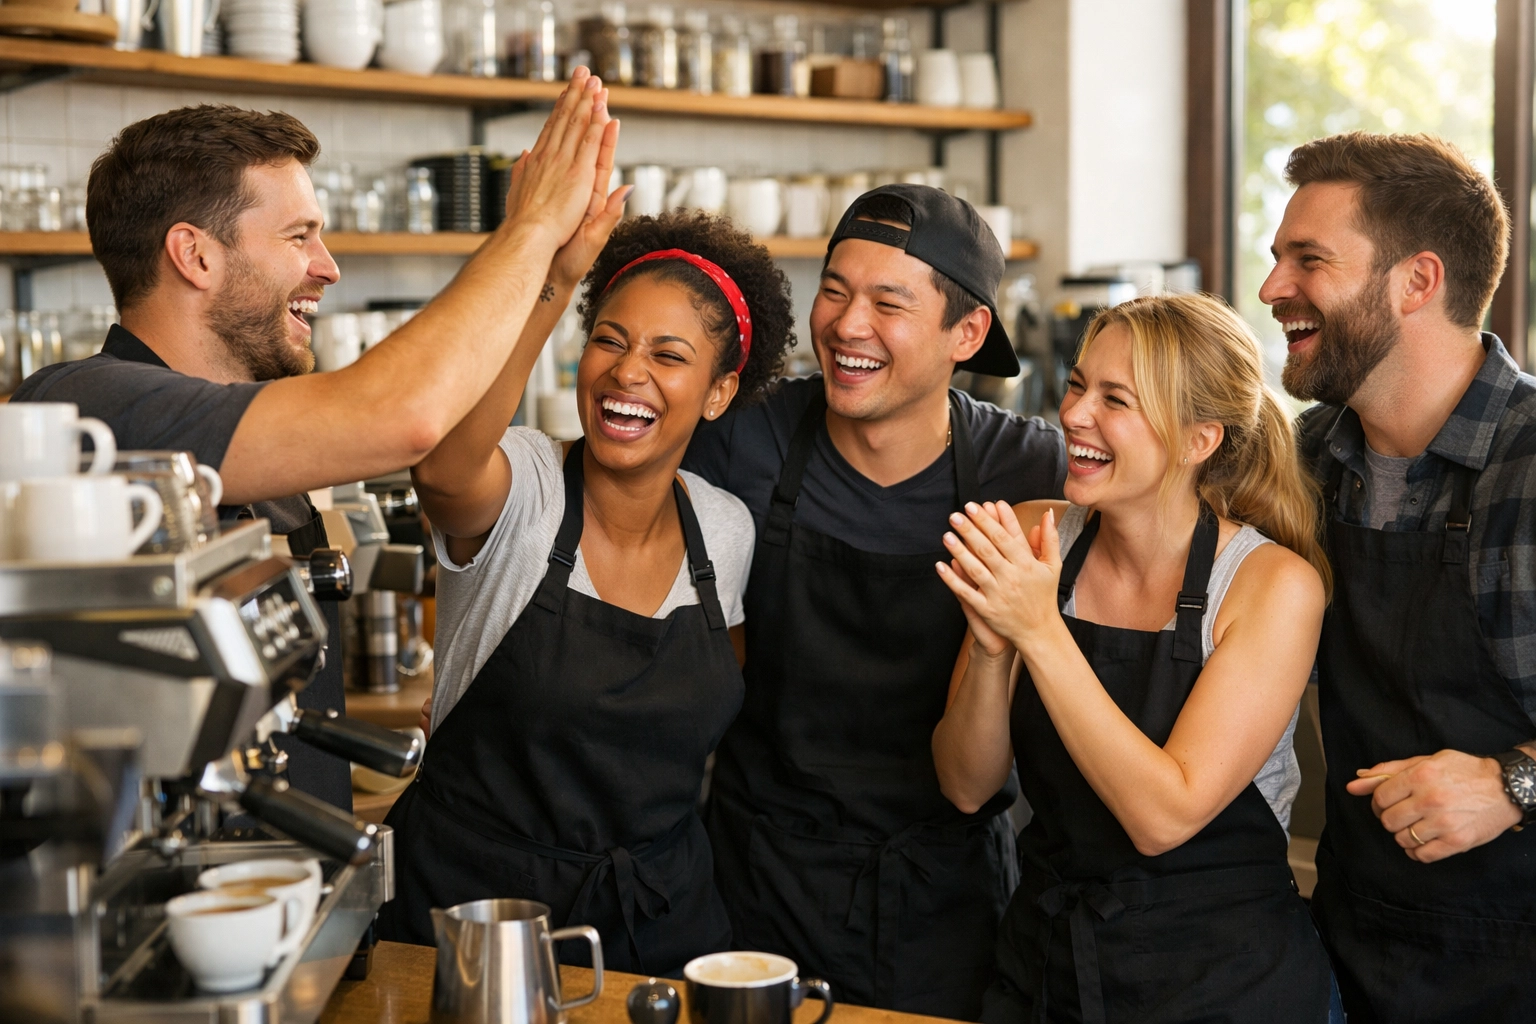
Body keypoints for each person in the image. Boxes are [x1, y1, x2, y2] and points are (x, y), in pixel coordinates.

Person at [8, 70, 615, 810]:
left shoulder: (255, 425)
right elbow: (403, 417)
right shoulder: (87, 410)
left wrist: (550, 276)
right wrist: (526, 231)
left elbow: (442, 442)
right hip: (173, 901)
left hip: (290, 885)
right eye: (300, 237)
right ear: (195, 256)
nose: (328, 268)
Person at [681, 184, 1065, 1018]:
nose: (848, 325)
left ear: (967, 334)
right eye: (834, 290)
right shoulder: (747, 432)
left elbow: (1191, 506)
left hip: (944, 900)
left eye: (888, 303)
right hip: (760, 880)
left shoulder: (1031, 470)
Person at [378, 210, 796, 975]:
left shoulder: (724, 530)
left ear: (719, 392)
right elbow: (439, 470)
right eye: (609, 339)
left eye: (669, 355)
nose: (627, 372)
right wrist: (555, 277)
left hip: (658, 923)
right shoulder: (526, 487)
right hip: (477, 924)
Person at [930, 293, 1335, 1023]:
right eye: (1079, 384)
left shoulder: (1271, 585)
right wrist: (993, 649)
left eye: (1115, 399)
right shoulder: (1035, 537)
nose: (1075, 413)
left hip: (1223, 985)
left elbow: (1165, 814)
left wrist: (1038, 629)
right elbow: (966, 785)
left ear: (1197, 440)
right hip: (1047, 968)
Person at [1262, 132, 1536, 1020]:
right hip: (1353, 947)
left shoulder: (1529, 463)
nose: (1272, 290)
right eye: (1276, 261)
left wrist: (1514, 782)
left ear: (1417, 282)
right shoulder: (1308, 461)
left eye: (1309, 260)